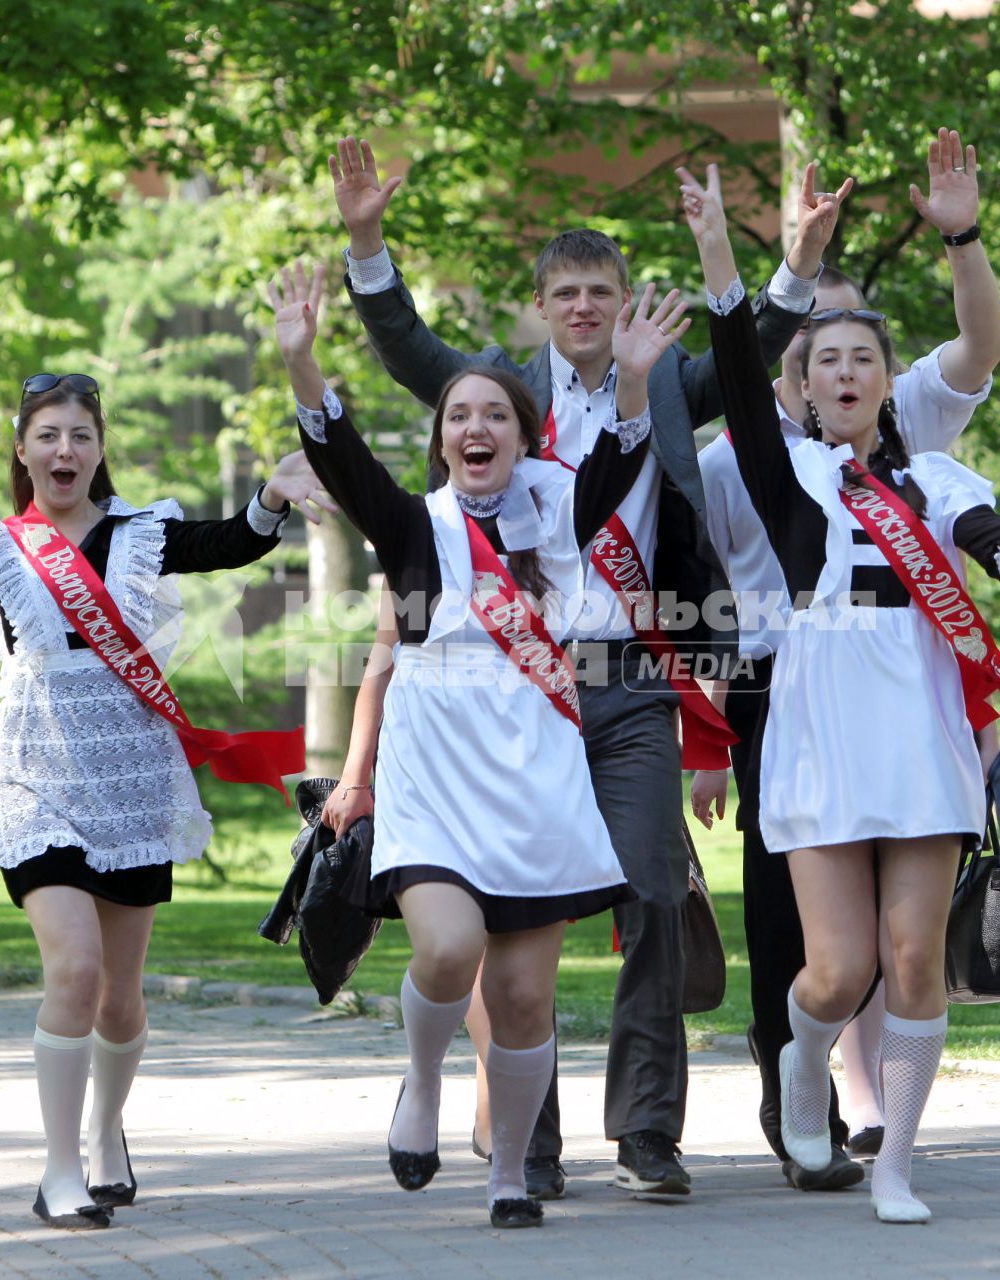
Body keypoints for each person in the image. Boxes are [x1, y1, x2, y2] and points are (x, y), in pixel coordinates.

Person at [326, 134, 837, 1202]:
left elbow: (756, 351)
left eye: (601, 289)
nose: (584, 307)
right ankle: (531, 1143)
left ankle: (648, 1129)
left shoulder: (666, 382)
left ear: (620, 300)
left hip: (630, 683)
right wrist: (365, 238)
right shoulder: (499, 399)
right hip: (517, 696)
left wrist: (776, 254)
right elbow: (402, 340)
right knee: (520, 907)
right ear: (542, 304)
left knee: (653, 893)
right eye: (565, 291)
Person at [680, 166, 1000, 1223]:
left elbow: (984, 535)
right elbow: (731, 357)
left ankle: (895, 1161)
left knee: (911, 959)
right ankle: (802, 1063)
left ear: (887, 381)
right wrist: (732, 250)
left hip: (917, 733)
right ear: (802, 387)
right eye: (826, 361)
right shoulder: (784, 474)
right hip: (816, 731)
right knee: (835, 967)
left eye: (864, 358)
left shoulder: (932, 475)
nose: (845, 372)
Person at [0, 323, 328, 1230]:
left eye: (80, 434)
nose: (65, 449)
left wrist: (271, 495)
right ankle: (58, 1168)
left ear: (100, 448)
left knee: (121, 996)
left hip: (131, 777)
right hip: (36, 775)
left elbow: (232, 542)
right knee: (72, 971)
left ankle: (109, 1131)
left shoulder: (142, 534)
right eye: (48, 435)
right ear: (22, 449)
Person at [270, 257, 688, 1227]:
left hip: (536, 779)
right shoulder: (415, 525)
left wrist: (631, 382)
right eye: (457, 415)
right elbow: (341, 455)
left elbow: (623, 464)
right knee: (451, 949)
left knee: (525, 996)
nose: (474, 427)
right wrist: (303, 362)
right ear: (442, 438)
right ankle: (421, 1076)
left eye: (494, 414)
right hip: (436, 778)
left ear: (523, 436)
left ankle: (511, 1171)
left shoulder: (561, 511)